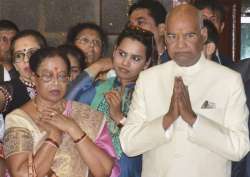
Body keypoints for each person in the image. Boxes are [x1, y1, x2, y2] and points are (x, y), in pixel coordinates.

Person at [120, 4, 249, 177]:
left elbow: (239, 148)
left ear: (203, 36)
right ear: (165, 37)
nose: (180, 44)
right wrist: (167, 119)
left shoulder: (228, 80)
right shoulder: (148, 79)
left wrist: (194, 120)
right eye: (173, 36)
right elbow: (129, 144)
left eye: (189, 35)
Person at [3, 47, 118, 177]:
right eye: (47, 76)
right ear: (33, 77)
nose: (56, 83)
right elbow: (22, 174)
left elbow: (105, 170)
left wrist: (73, 128)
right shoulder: (19, 119)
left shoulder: (88, 115)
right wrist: (54, 136)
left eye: (62, 76)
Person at [67, 26, 157, 177]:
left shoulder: (151, 95)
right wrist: (97, 66)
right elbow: (68, 103)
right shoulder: (99, 88)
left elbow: (149, 138)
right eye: (122, 54)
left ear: (146, 63)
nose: (125, 63)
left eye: (135, 58)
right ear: (114, 51)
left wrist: (119, 117)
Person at [193, 0, 234, 67]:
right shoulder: (180, 59)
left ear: (222, 27)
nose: (208, 24)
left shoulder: (229, 66)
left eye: (213, 20)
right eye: (203, 19)